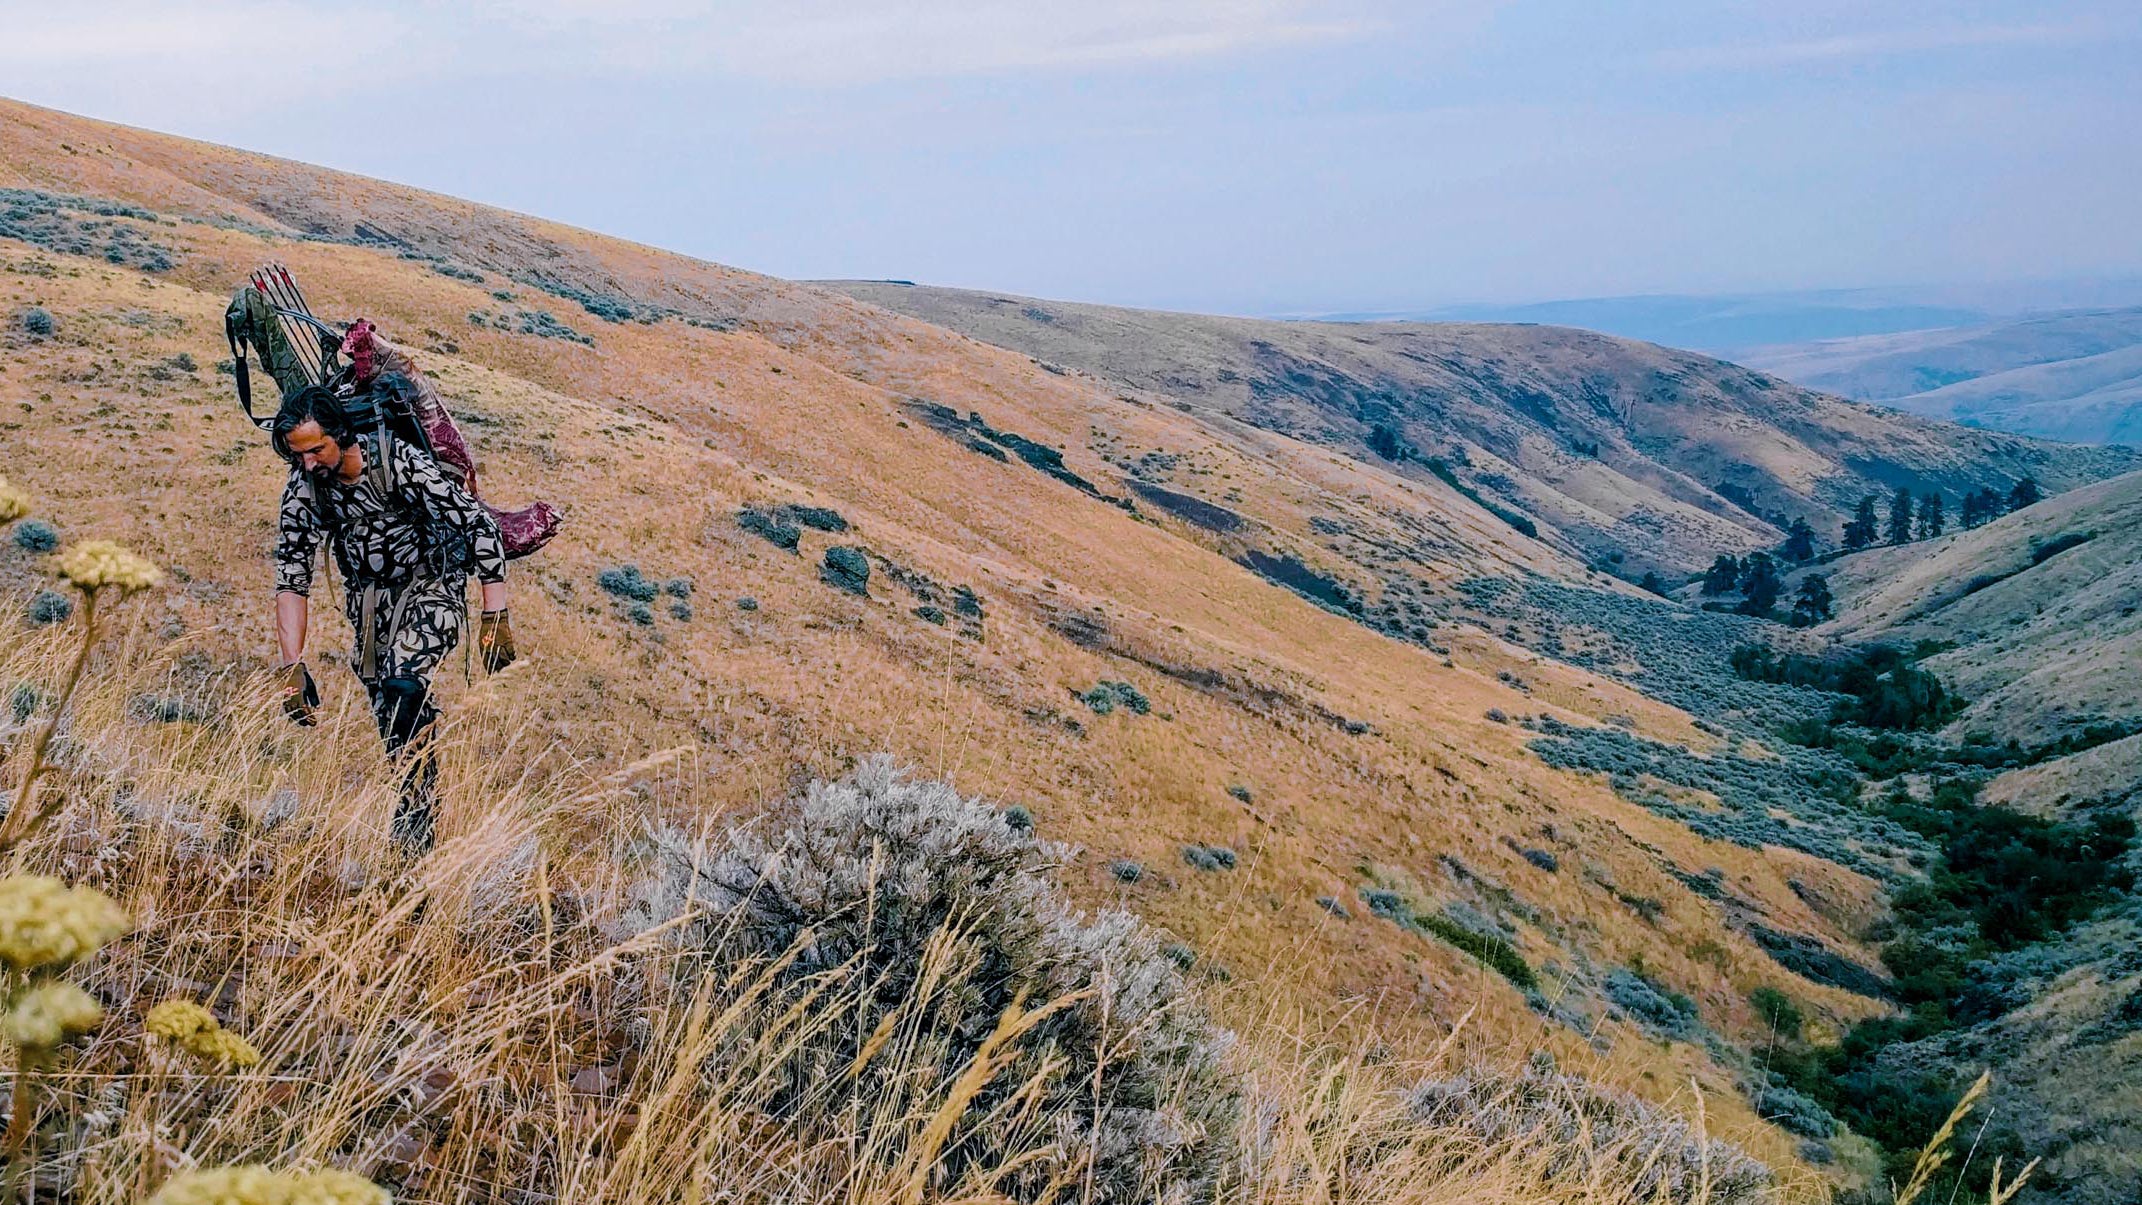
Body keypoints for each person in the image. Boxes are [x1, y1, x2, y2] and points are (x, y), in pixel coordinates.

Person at [269, 384, 517, 853]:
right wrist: (291, 668)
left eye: (316, 450)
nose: (308, 464)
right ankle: (416, 825)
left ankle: (413, 826)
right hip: (368, 608)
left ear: (341, 435)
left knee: (405, 682)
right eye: (297, 456)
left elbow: (477, 525)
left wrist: (494, 613)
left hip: (432, 585)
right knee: (392, 726)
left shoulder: (397, 462)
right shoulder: (303, 490)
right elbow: (290, 580)